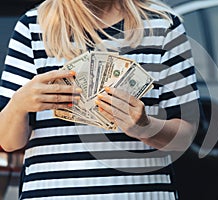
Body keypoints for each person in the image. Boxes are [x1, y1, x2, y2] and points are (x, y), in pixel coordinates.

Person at [0, 0, 200, 199]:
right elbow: (8, 142)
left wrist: (145, 127)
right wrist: (19, 105)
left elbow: (185, 136)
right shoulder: (32, 27)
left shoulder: (162, 25)